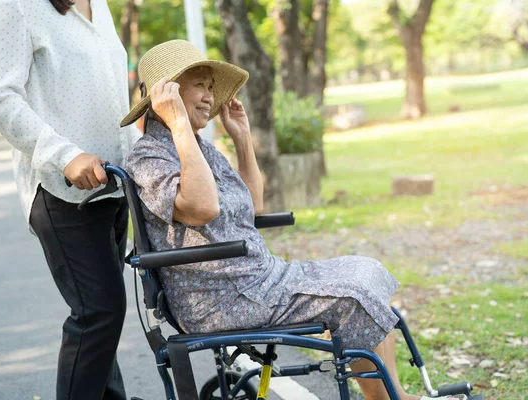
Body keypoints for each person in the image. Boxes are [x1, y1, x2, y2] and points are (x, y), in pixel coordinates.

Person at [123, 40, 465, 400]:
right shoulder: (150, 156)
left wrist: (242, 139)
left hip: (257, 280)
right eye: (199, 85)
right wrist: (177, 124)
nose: (210, 96)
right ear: (168, 93)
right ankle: (387, 399)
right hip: (222, 297)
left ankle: (394, 393)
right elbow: (203, 209)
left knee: (366, 271)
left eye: (211, 87)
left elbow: (250, 207)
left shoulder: (199, 147)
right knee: (352, 299)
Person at [0, 0, 141, 399]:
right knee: (99, 314)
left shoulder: (98, 5)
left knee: (103, 320)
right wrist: (65, 155)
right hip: (62, 191)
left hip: (113, 186)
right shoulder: (13, 6)